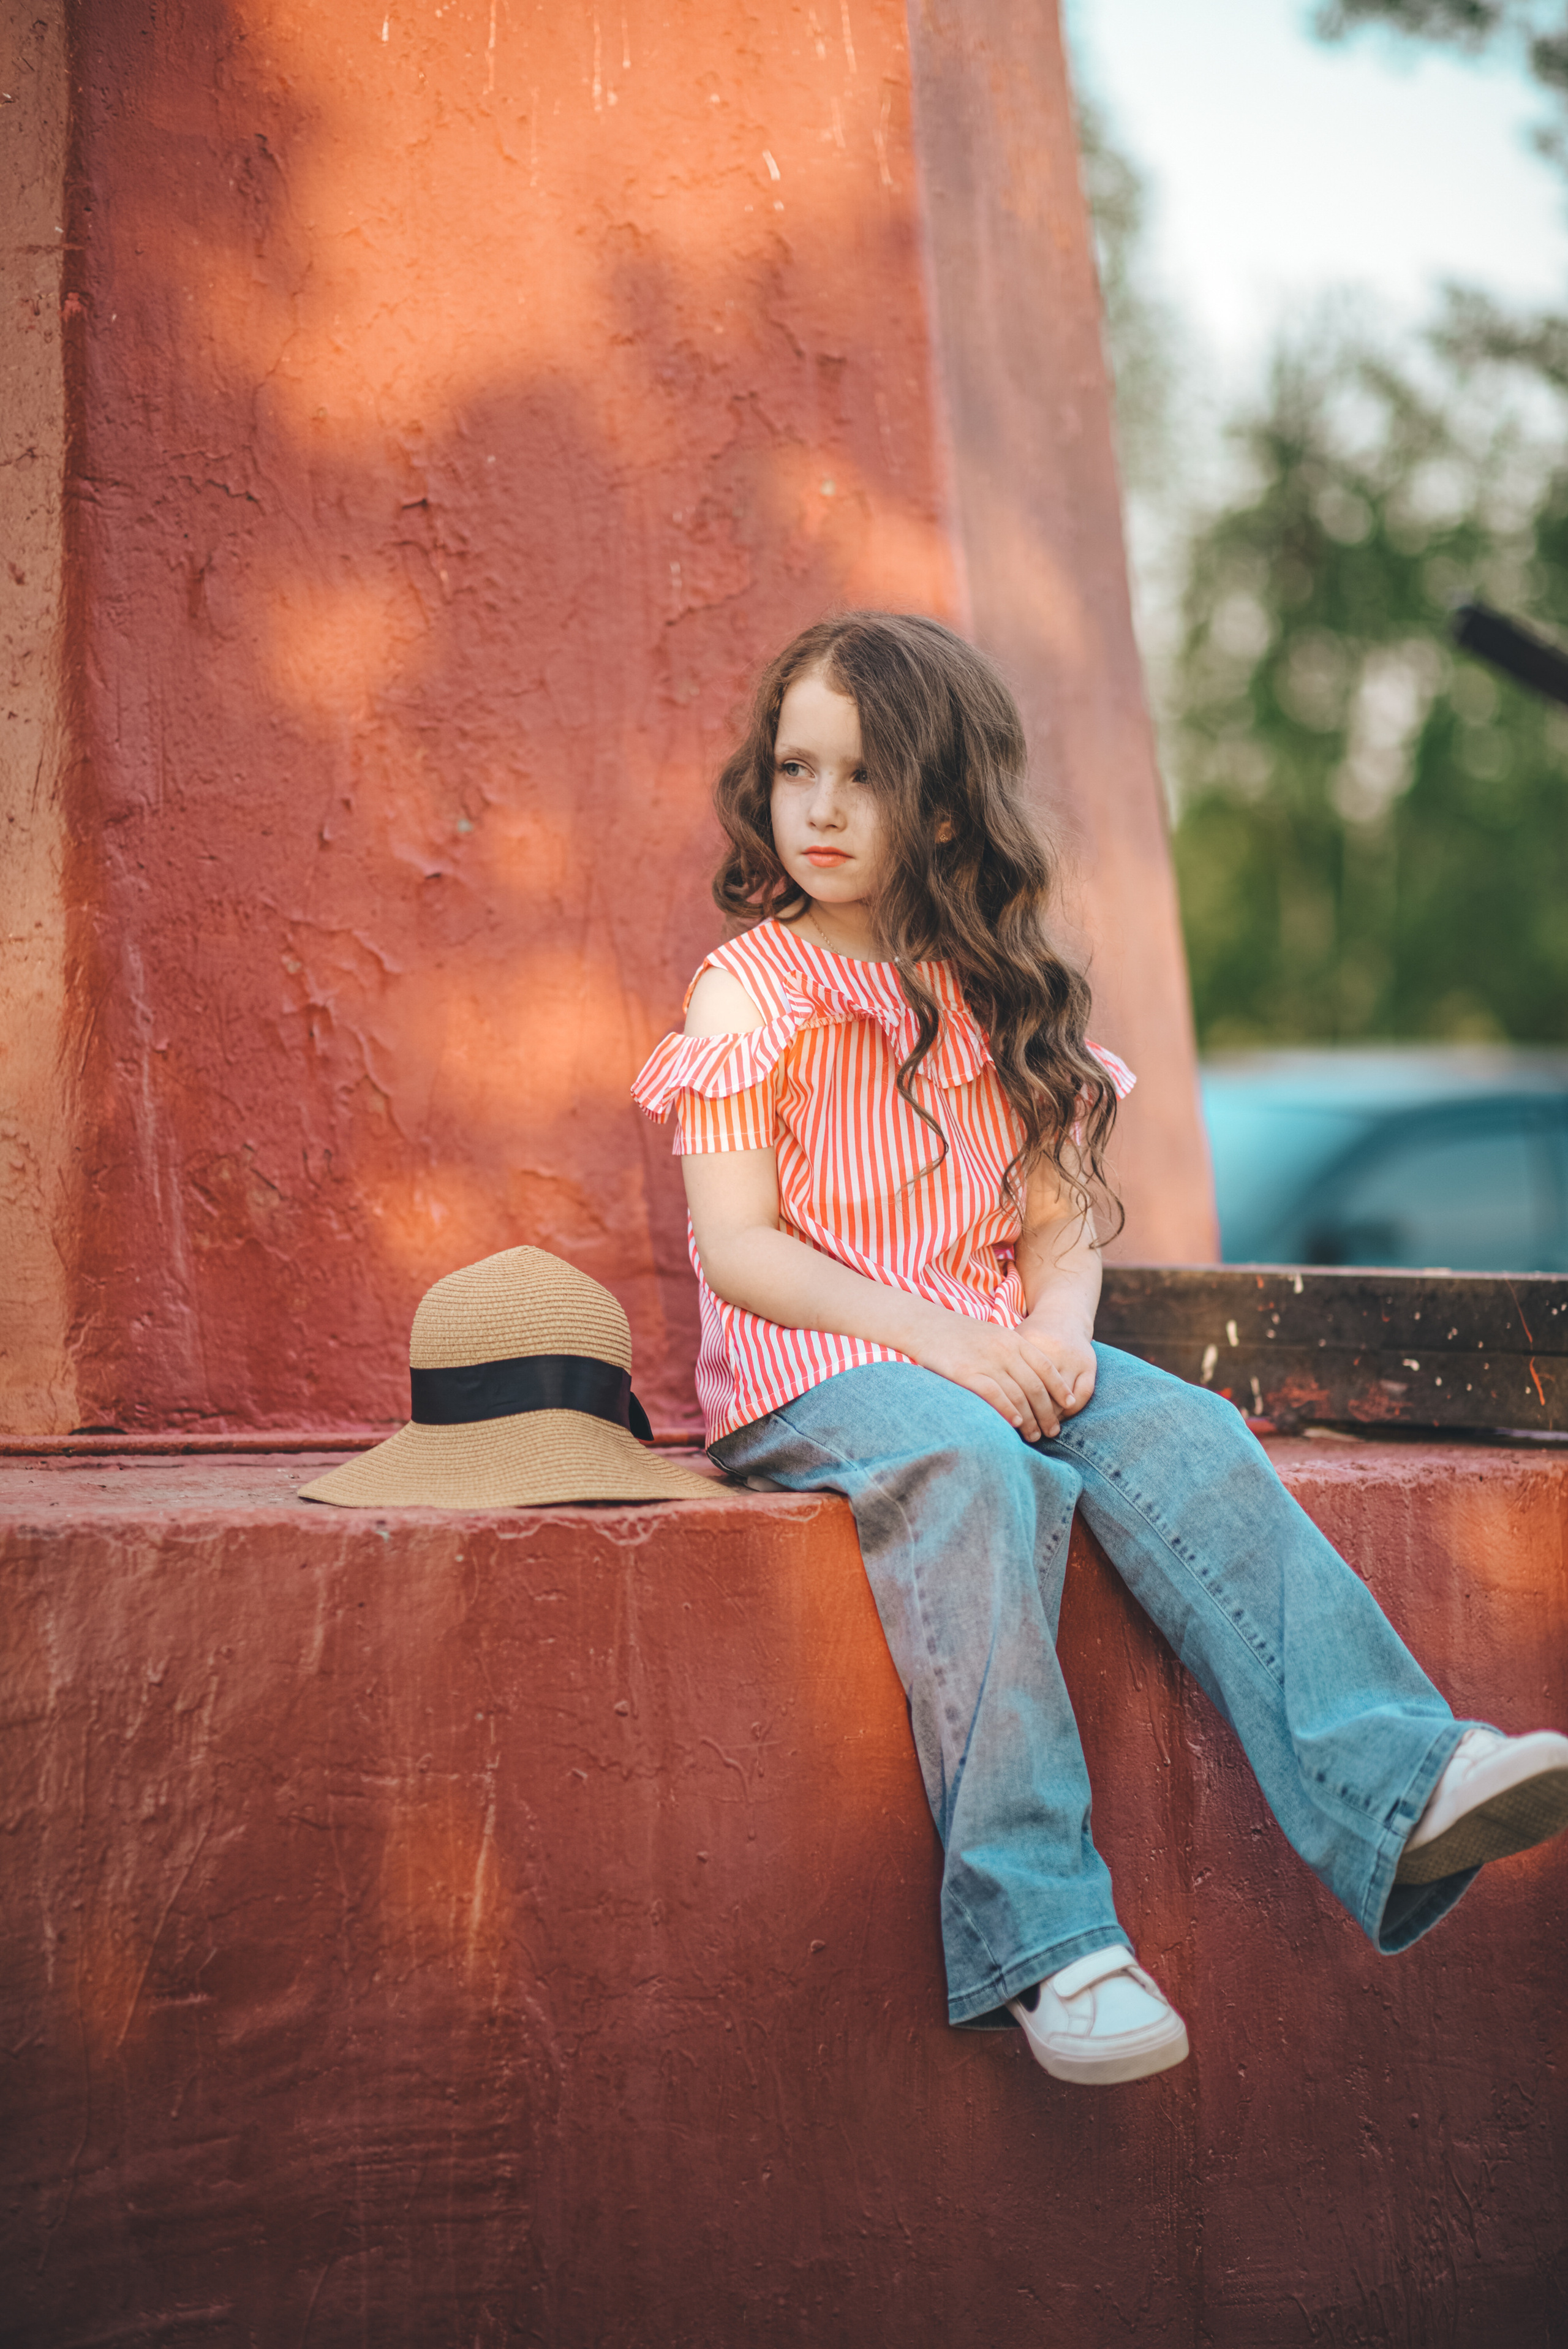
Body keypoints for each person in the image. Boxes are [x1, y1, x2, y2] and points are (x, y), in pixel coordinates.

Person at [630, 611, 1568, 2087]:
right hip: (815, 1370)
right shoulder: (750, 990)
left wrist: (1057, 1336)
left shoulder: (998, 983)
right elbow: (742, 1250)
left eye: (860, 778)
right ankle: (1047, 1943)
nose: (814, 807)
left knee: (1185, 1432)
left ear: (942, 804)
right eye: (793, 768)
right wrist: (949, 1343)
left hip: (999, 1347)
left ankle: (1401, 1777)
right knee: (969, 1471)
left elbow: (1059, 1217)